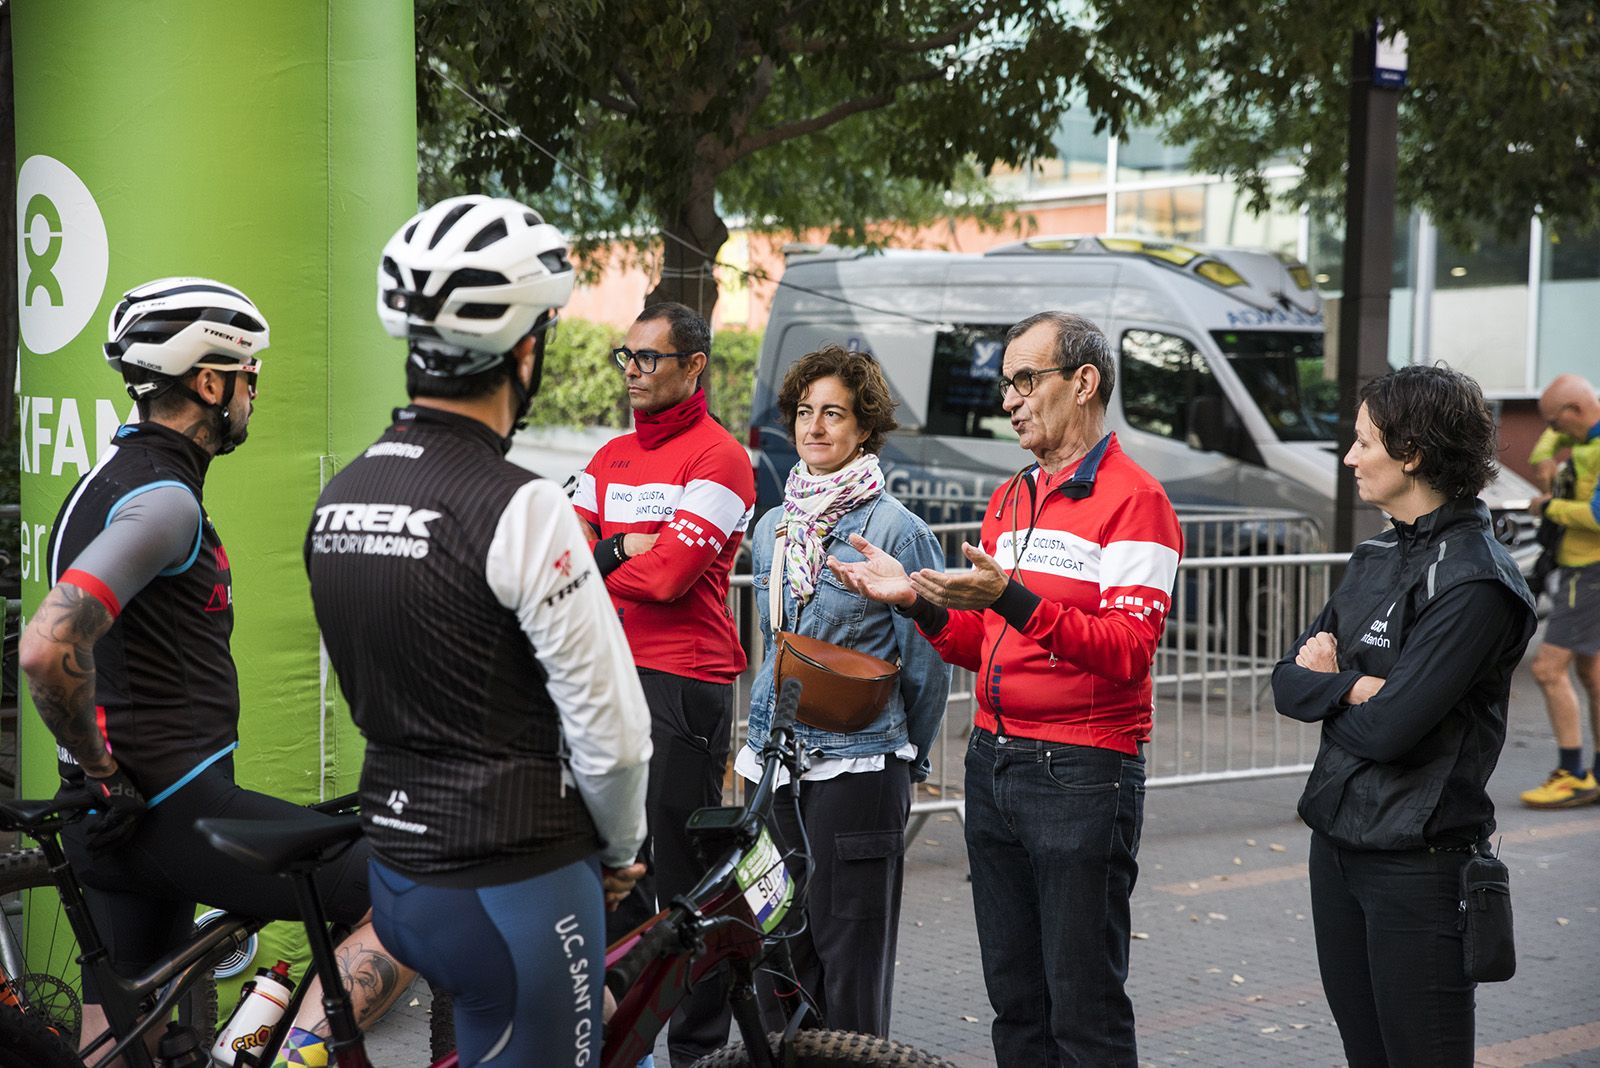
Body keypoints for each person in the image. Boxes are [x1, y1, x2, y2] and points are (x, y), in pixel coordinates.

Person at [17, 277, 412, 1068]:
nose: (252, 395)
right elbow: (46, 646)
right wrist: (104, 769)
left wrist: (95, 777)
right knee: (418, 890)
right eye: (249, 377)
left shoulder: (97, 490)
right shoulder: (167, 503)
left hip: (114, 821)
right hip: (173, 812)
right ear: (209, 381)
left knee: (123, 1040)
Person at [303, 195, 652, 1068]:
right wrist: (618, 852)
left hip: (399, 877)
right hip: (517, 880)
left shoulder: (341, 493)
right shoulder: (523, 506)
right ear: (525, 350)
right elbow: (613, 740)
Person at [832, 311, 1181, 1067]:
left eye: (1026, 379)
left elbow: (1128, 651)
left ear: (1083, 382)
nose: (1011, 400)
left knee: (1081, 1007)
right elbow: (983, 644)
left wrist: (1010, 597)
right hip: (995, 763)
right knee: (1016, 1002)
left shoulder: (1137, 500)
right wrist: (917, 604)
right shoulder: (1013, 495)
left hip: (1082, 773)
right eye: (1006, 385)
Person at [1272, 365, 1536, 1067]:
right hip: (1336, 845)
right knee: (1367, 1055)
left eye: (1363, 442)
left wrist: (1338, 687)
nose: (1350, 457)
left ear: (1412, 452)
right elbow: (1285, 682)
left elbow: (1390, 732)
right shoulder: (1377, 553)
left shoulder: (1476, 580)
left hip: (1419, 865)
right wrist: (1357, 690)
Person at [743, 345, 951, 1036]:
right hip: (778, 771)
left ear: (864, 427)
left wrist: (906, 761)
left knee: (850, 966)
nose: (816, 427)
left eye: (834, 413)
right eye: (805, 412)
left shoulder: (897, 529)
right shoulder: (774, 527)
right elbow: (774, 647)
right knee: (778, 954)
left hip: (860, 769)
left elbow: (927, 664)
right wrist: (751, 754)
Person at [572, 302, 755, 1066]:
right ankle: (628, 1045)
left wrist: (601, 557)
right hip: (607, 678)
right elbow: (562, 554)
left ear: (694, 367)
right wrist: (620, 549)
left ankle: (699, 1051)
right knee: (611, 876)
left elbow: (675, 575)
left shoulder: (721, 458)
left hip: (684, 685)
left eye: (651, 359)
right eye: (628, 357)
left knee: (686, 889)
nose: (635, 372)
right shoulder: (610, 453)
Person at [1519, 373, 1600, 808]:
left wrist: (1548, 506)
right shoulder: (1585, 444)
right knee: (1592, 673)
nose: (1553, 433)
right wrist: (1551, 442)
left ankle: (1572, 774)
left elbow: (1599, 516)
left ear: (1575, 412)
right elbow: (1541, 459)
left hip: (1587, 573)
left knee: (1548, 670)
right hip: (1584, 572)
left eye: (1556, 423)